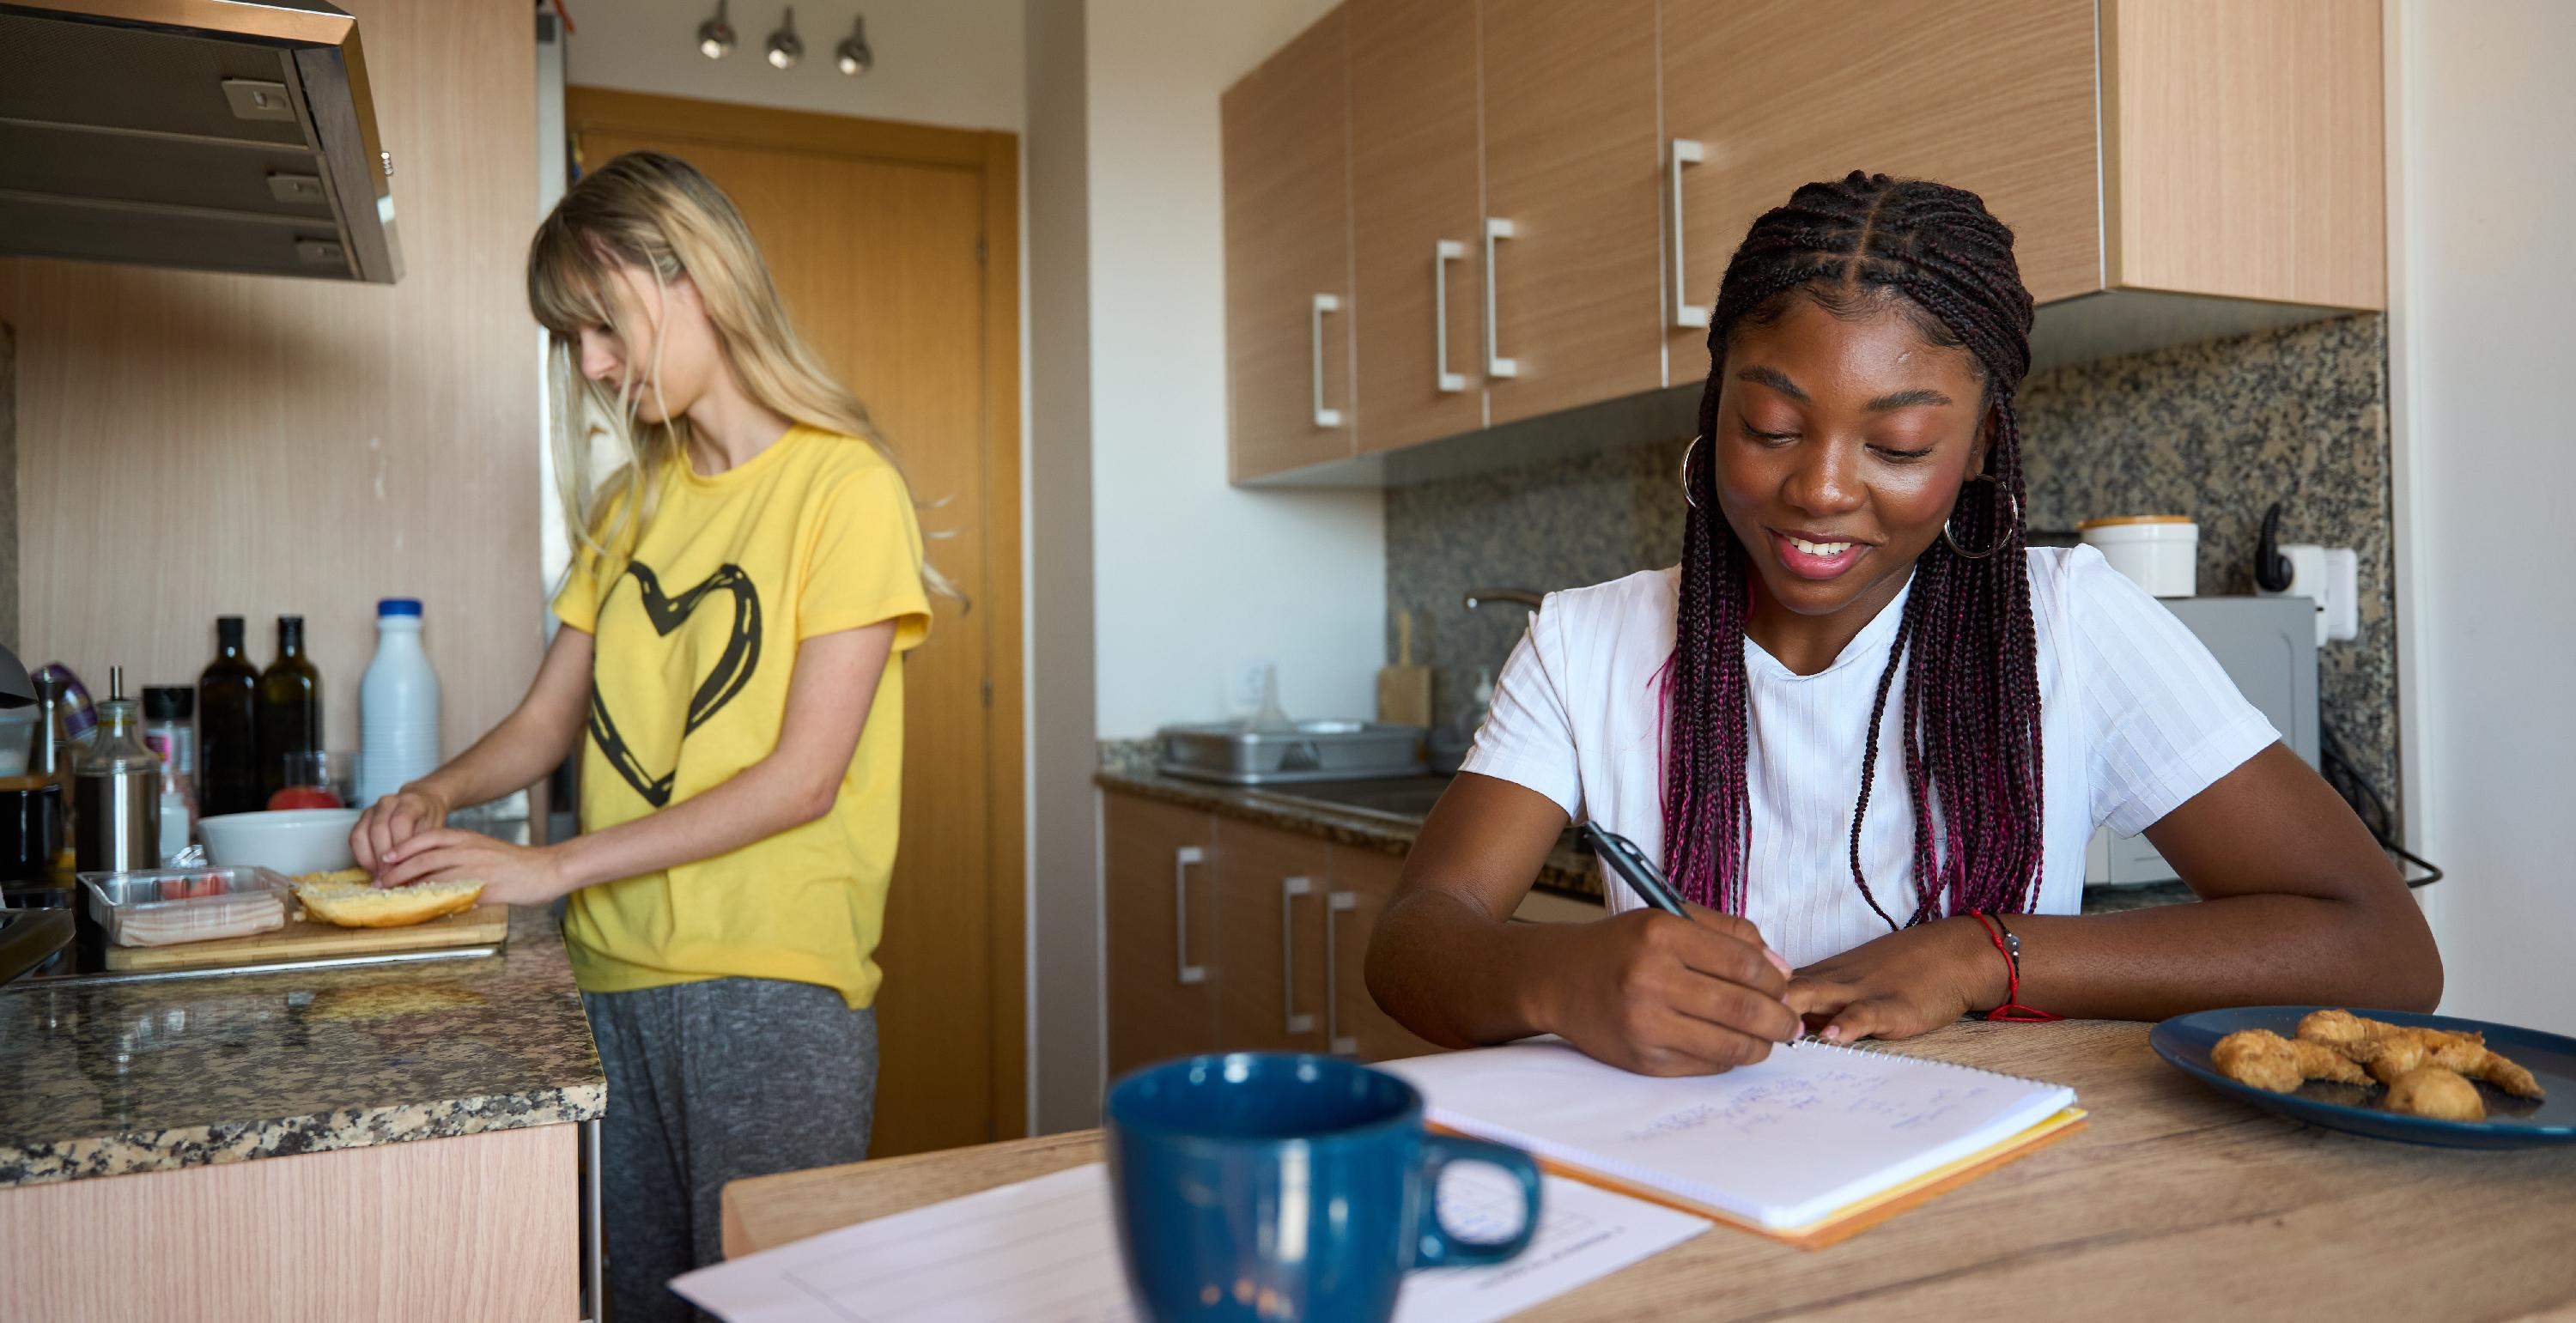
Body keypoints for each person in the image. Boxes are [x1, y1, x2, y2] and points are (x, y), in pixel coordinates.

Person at [1364, 172, 2440, 1077]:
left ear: (1977, 449)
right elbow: (1415, 938)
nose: (1821, 489)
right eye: (1772, 425)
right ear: (1714, 407)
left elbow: (2379, 944)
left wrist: (1984, 954)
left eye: (1900, 445)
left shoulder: (2068, 622)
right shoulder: (1585, 643)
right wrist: (1557, 974)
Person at [349, 151, 937, 1320]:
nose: (593, 366)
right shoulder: (632, 506)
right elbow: (546, 722)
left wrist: (549, 866)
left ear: (696, 280)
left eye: (602, 327)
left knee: (770, 1308)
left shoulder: (844, 489)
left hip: (772, 992)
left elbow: (805, 780)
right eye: (573, 340)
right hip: (607, 980)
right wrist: (434, 791)